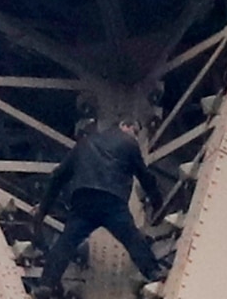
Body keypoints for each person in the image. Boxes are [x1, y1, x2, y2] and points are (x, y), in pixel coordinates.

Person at [31, 119, 165, 298]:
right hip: (112, 200)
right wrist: (157, 202)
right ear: (124, 126)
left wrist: (43, 210)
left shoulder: (84, 143)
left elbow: (58, 177)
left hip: (83, 199)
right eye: (135, 130)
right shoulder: (128, 142)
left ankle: (46, 284)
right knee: (132, 237)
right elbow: (144, 175)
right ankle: (153, 271)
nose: (135, 135)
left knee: (66, 243)